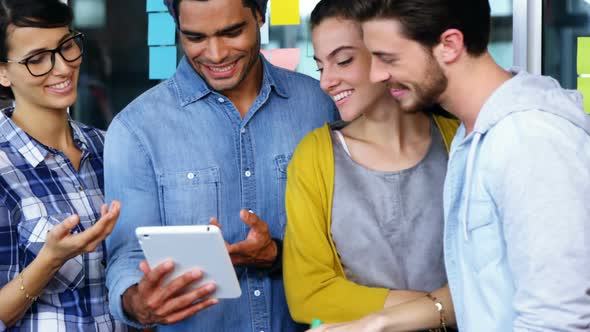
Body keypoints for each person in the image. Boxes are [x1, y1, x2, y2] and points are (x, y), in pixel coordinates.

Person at [308, 0, 590, 331]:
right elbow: (481, 290)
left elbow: (557, 320)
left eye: (387, 58)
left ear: (450, 45)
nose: (376, 75)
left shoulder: (529, 139)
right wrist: (373, 324)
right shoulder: (471, 137)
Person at [103, 0, 337, 331]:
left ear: (260, 14)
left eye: (232, 32)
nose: (215, 54)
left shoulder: (319, 105)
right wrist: (137, 302)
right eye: (195, 37)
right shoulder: (136, 129)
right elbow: (127, 257)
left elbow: (349, 241)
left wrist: (279, 254)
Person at [282, 0, 458, 325]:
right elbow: (308, 295)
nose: (326, 82)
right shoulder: (315, 157)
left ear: (383, 52)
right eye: (321, 67)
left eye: (344, 61)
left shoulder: (458, 141)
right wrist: (440, 306)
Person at [0, 0, 123, 331]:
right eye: (37, 59)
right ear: (2, 72)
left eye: (66, 46)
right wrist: (50, 260)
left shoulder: (111, 148)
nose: (63, 68)